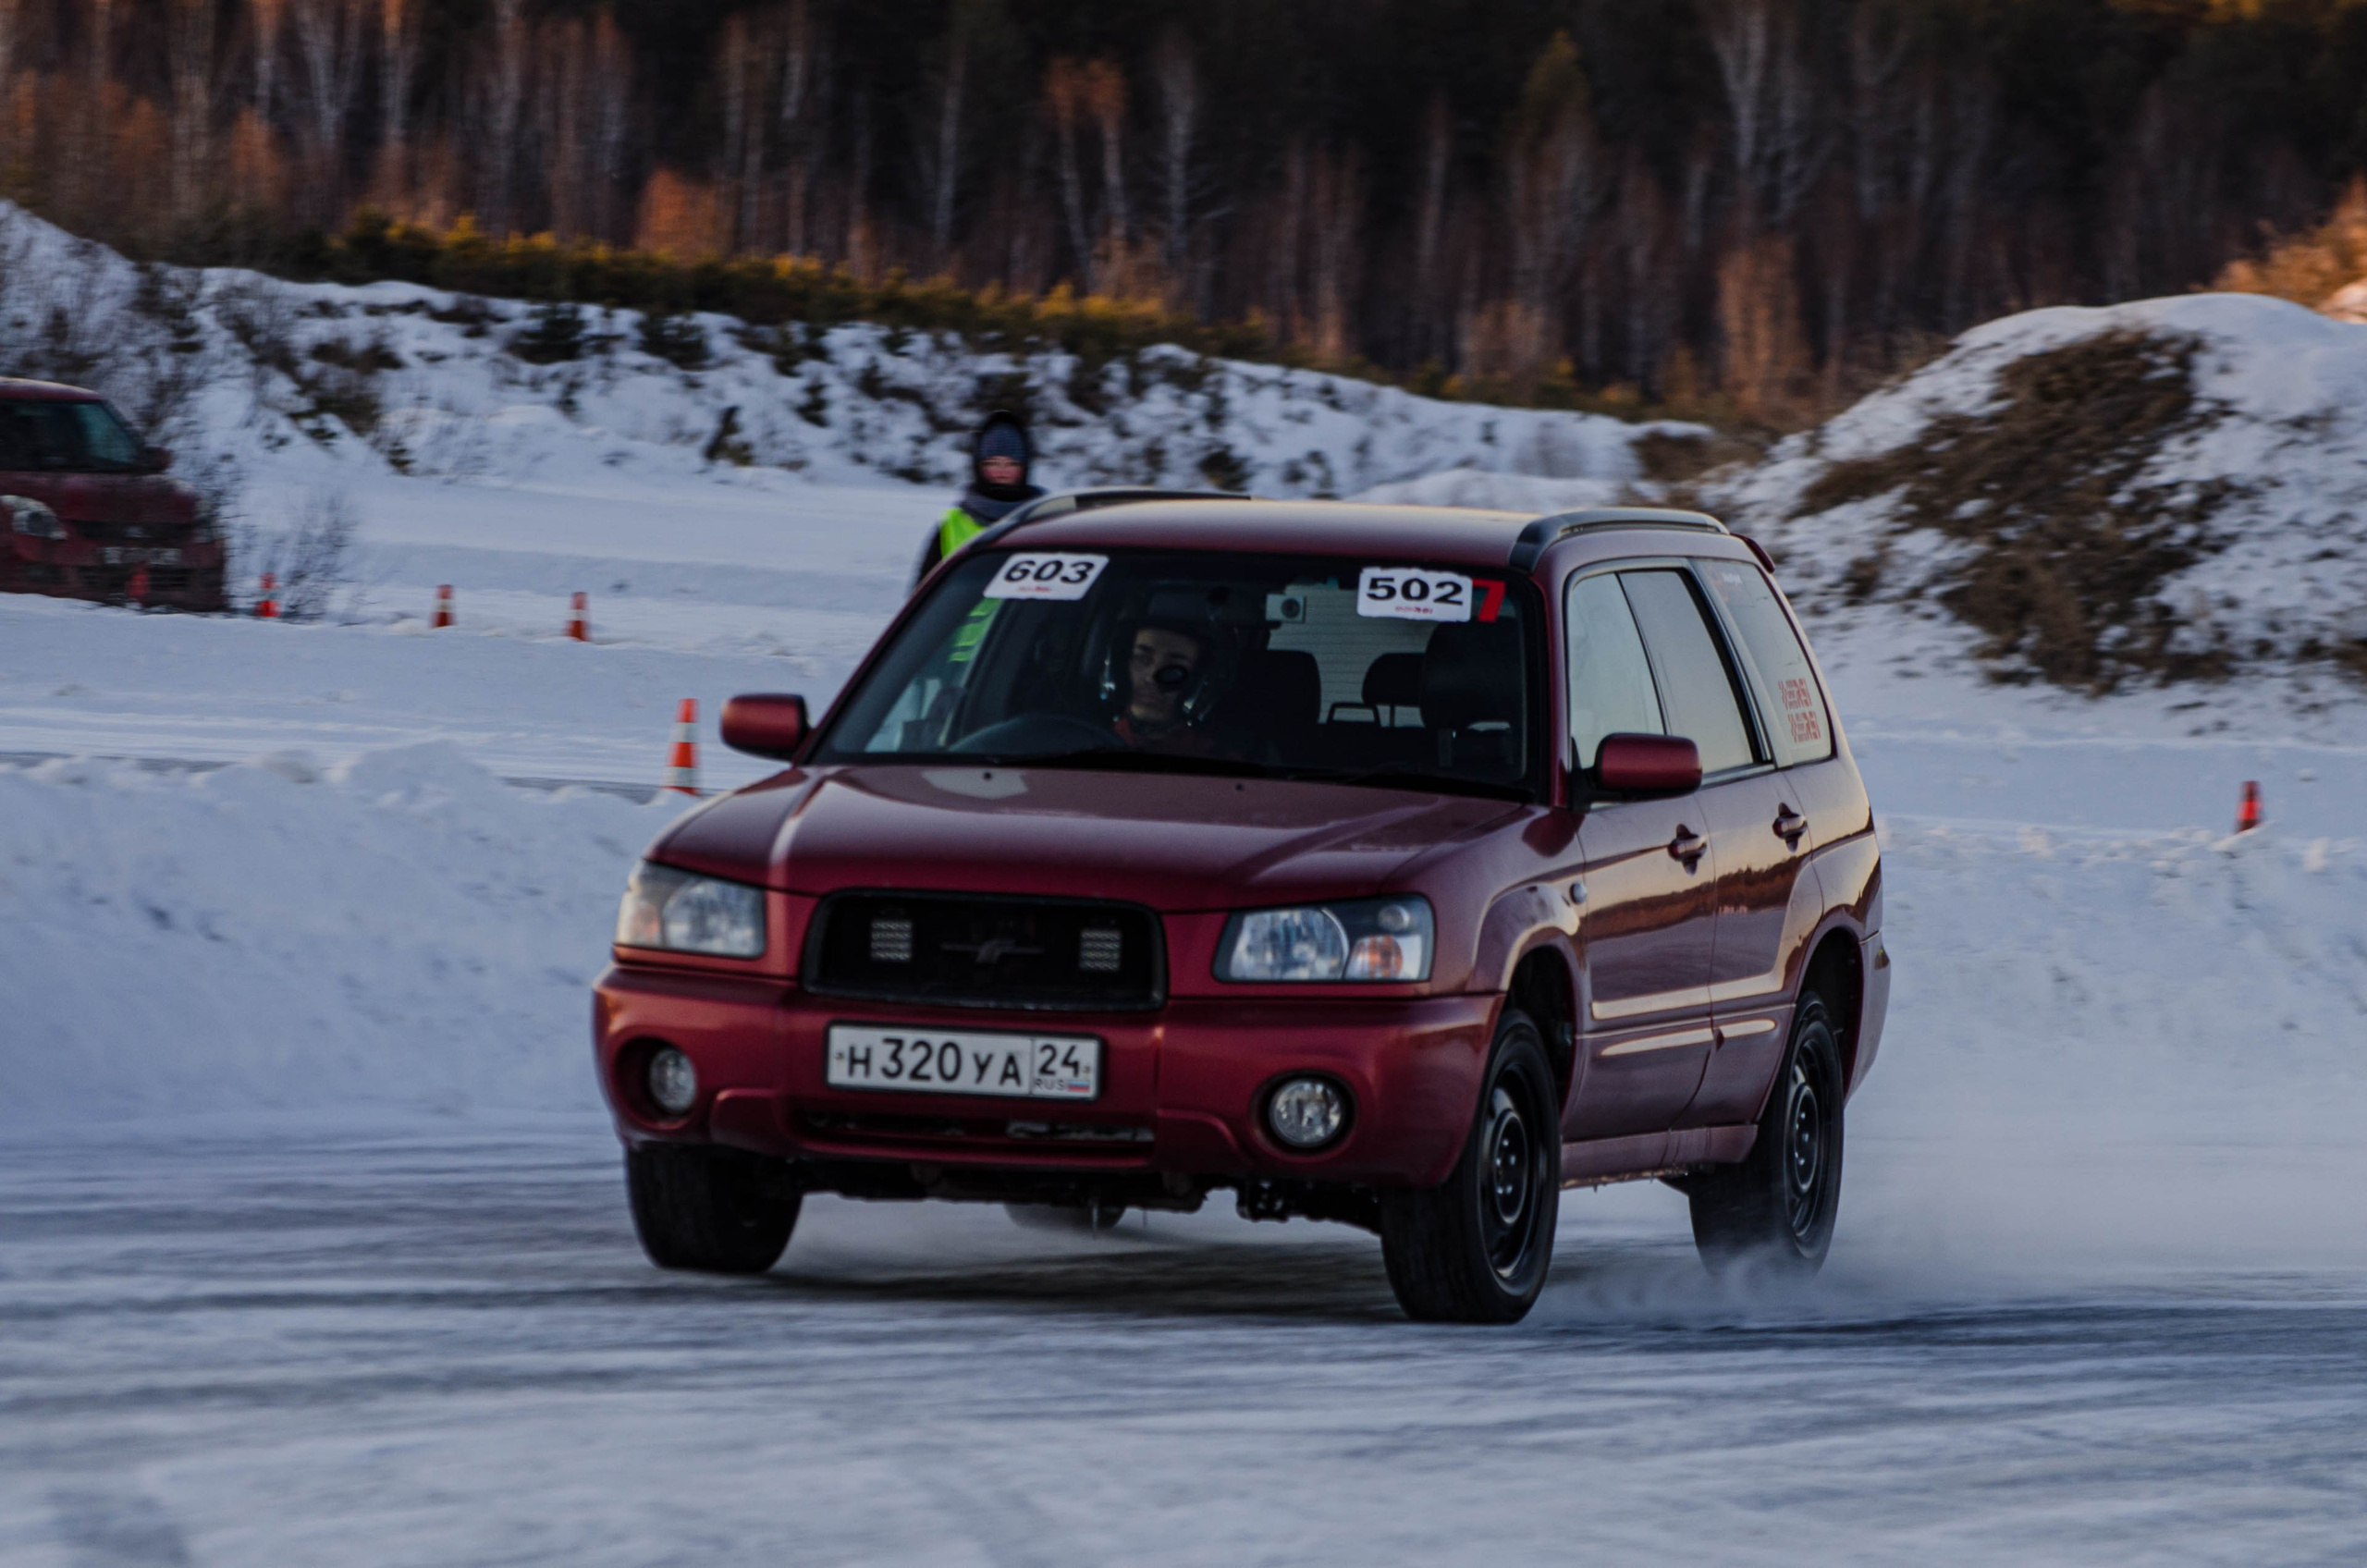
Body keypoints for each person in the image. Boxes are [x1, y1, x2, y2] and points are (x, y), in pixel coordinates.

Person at [913, 410, 1044, 589]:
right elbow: (921, 598)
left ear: (1025, 467)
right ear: (978, 466)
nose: (1002, 473)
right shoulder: (952, 525)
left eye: (1011, 464)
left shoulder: (1044, 520)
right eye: (992, 463)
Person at [1111, 621, 1222, 756]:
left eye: (1175, 667)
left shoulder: (1215, 758)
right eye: (1142, 658)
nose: (1152, 677)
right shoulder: (1088, 736)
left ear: (1197, 682)